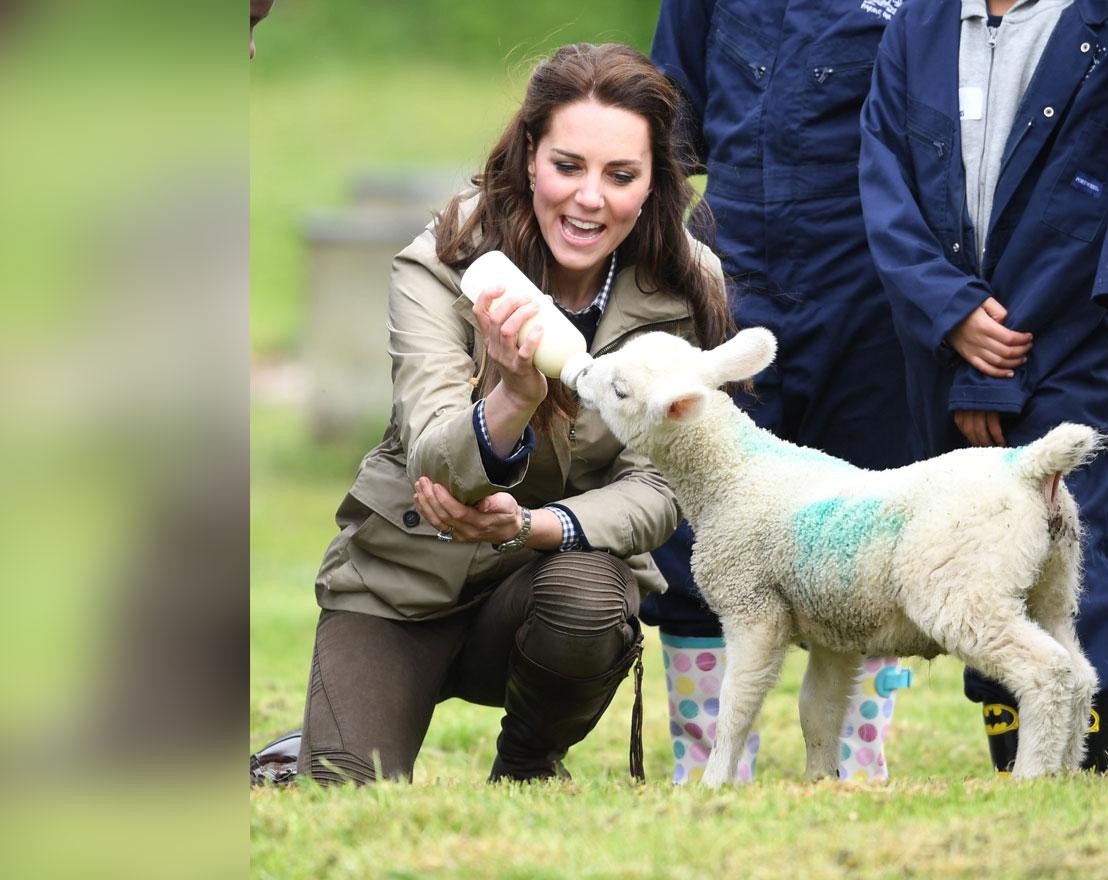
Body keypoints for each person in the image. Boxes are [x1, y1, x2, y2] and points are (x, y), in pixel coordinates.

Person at [267, 42, 734, 786]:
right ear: (527, 157)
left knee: (586, 593)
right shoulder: (444, 260)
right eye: (568, 165)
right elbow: (432, 459)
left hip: (547, 589)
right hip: (403, 581)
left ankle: (527, 765)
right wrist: (513, 397)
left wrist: (532, 526)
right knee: (340, 786)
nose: (590, 198)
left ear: (653, 184)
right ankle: (304, 749)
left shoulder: (686, 287)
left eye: (621, 175)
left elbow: (664, 488)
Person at [643, 0, 921, 784]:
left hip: (871, 278)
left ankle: (852, 760)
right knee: (699, 520)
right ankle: (705, 764)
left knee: (866, 526)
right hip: (730, 269)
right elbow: (670, 121)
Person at [858, 0, 1108, 773]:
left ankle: (1092, 758)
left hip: (1070, 335)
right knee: (987, 548)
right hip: (945, 341)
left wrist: (997, 362)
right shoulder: (919, 27)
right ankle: (1019, 761)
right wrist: (949, 313)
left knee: (1070, 533)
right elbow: (886, 180)